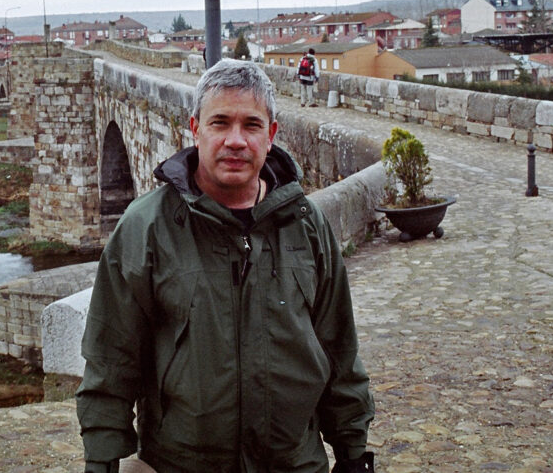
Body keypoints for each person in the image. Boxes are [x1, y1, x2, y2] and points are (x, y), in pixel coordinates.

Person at [76, 59, 375, 473]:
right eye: (220, 123)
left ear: (270, 136)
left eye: (251, 125)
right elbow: (111, 361)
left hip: (294, 463)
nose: (236, 140)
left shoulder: (307, 224)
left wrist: (353, 452)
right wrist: (103, 460)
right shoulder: (146, 227)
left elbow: (339, 349)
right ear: (195, 128)